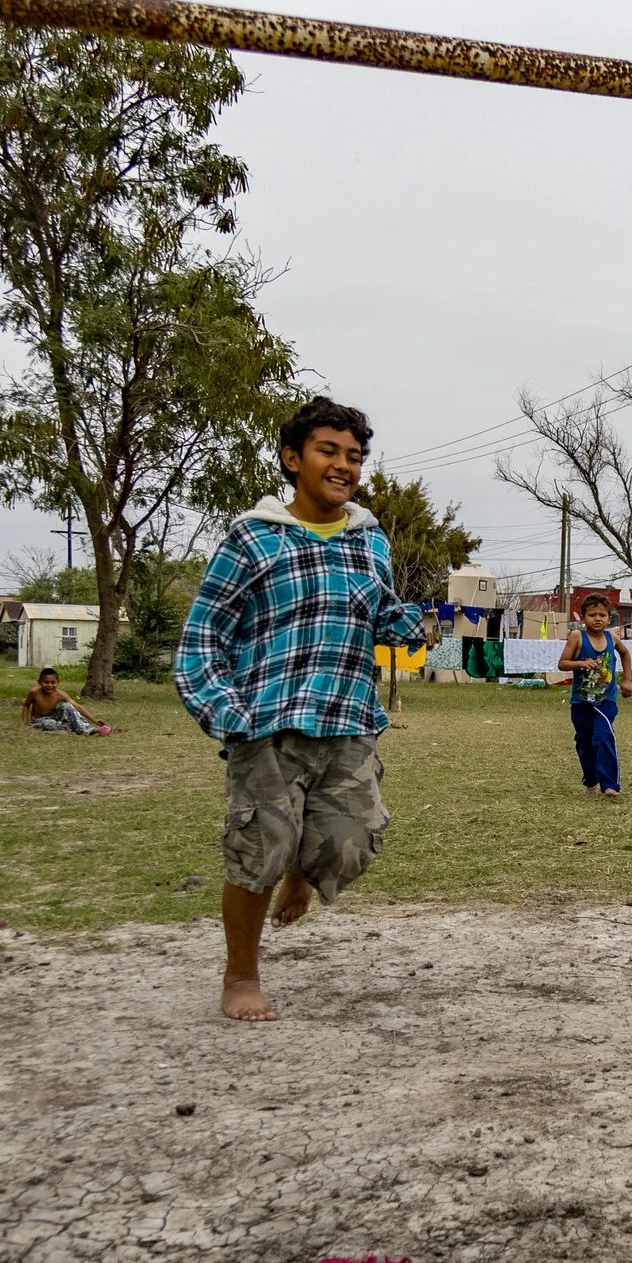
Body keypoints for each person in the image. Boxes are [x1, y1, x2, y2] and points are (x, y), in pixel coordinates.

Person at [175, 396, 425, 1023]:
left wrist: (401, 622)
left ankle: (301, 874)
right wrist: (224, 710)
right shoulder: (253, 538)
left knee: (350, 846)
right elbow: (205, 633)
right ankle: (241, 973)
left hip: (347, 721)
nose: (344, 465)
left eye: (355, 456)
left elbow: (377, 608)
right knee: (259, 849)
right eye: (328, 452)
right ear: (292, 459)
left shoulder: (370, 540)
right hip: (267, 722)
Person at [558, 595, 632, 798]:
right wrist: (580, 663)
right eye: (592, 615)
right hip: (581, 702)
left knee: (603, 736)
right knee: (584, 743)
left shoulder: (612, 638)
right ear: (583, 618)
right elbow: (562, 663)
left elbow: (625, 654)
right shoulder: (577, 637)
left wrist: (627, 680)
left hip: (605, 701)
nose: (597, 619)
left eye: (602, 615)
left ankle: (610, 785)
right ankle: (591, 781)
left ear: (609, 619)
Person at [23, 667, 109, 735]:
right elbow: (26, 705)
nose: (49, 685)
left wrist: (95, 721)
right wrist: (25, 723)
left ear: (57, 682)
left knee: (67, 705)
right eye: (46, 682)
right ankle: (74, 727)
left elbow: (78, 707)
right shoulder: (34, 692)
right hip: (39, 719)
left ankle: (87, 729)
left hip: (55, 717)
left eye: (53, 682)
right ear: (39, 682)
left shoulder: (60, 694)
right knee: (50, 723)